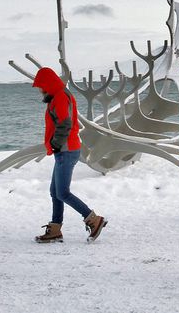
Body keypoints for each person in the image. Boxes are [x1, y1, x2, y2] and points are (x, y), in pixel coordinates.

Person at [32, 67, 107, 243]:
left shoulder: (59, 97)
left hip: (66, 150)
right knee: (55, 191)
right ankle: (55, 229)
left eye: (41, 87)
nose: (40, 91)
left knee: (63, 192)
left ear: (47, 84)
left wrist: (55, 144)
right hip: (64, 150)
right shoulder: (58, 96)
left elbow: (64, 123)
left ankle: (94, 219)